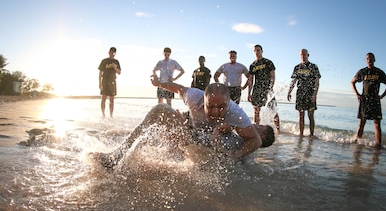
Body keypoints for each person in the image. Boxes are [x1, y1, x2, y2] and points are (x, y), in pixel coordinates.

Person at [93, 79, 275, 168]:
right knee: (160, 110)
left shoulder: (236, 114)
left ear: (229, 104)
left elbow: (256, 141)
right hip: (191, 135)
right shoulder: (193, 97)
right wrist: (158, 83)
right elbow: (177, 87)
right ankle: (117, 156)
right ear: (203, 101)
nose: (216, 112)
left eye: (222, 107)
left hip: (204, 148)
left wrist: (231, 158)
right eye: (211, 106)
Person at [351, 52, 386, 148]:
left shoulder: (379, 72)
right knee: (361, 123)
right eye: (368, 58)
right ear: (366, 60)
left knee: (377, 124)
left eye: (371, 58)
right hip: (364, 100)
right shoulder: (362, 71)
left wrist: (381, 96)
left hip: (375, 101)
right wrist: (357, 94)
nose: (369, 60)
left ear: (374, 60)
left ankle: (378, 145)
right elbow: (352, 82)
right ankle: (357, 143)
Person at [287, 49, 321, 137]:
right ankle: (301, 134)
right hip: (300, 93)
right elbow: (293, 81)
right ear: (300, 55)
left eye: (305, 54)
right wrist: (289, 92)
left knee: (310, 115)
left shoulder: (313, 66)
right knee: (301, 115)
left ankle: (311, 135)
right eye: (301, 54)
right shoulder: (297, 67)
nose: (303, 56)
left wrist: (315, 94)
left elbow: (317, 82)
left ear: (308, 55)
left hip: (310, 93)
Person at [248, 44, 280, 133]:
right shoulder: (253, 65)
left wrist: (270, 88)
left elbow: (273, 76)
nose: (257, 52)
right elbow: (250, 80)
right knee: (256, 111)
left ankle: (278, 131)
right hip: (257, 89)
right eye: (255, 50)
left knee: (273, 110)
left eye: (258, 50)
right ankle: (257, 129)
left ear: (262, 51)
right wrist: (248, 93)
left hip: (267, 89)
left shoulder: (268, 62)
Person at [98, 47, 121, 118]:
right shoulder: (104, 61)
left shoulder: (116, 62)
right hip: (104, 81)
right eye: (111, 52)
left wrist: (115, 67)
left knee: (112, 100)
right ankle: (103, 114)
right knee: (103, 99)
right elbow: (100, 73)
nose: (112, 54)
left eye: (114, 53)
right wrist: (100, 83)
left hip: (112, 82)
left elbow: (119, 72)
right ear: (109, 52)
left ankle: (111, 115)